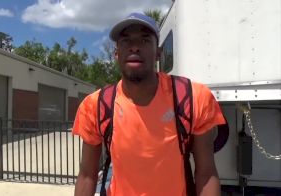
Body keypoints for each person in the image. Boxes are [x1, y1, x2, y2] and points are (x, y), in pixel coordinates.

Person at [73, 12, 225, 196]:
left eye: (145, 40)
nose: (135, 47)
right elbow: (87, 175)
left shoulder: (193, 98)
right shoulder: (95, 106)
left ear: (158, 53)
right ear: (116, 53)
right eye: (126, 41)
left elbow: (206, 173)